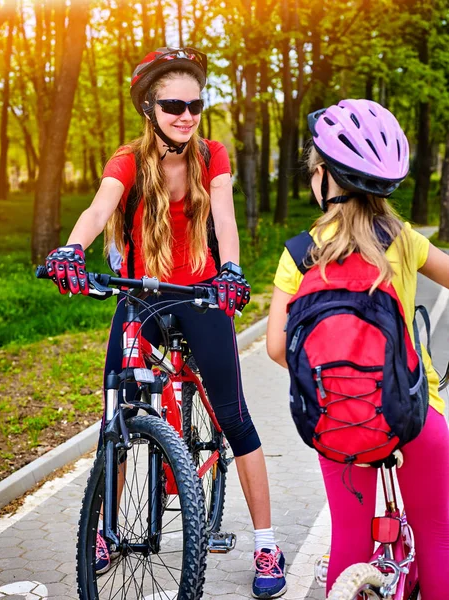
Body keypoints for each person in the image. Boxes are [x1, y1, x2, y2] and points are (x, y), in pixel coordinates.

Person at [45, 47, 286, 599]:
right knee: (117, 406)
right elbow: (99, 209)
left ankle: (267, 543)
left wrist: (230, 269)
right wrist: (71, 249)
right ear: (149, 108)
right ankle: (106, 531)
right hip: (142, 297)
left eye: (196, 104)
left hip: (201, 294)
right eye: (174, 104)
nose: (186, 114)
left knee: (234, 416)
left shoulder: (212, 155)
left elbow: (224, 219)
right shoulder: (128, 159)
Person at [266, 98, 449, 599]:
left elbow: (277, 349)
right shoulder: (403, 238)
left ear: (323, 177)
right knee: (437, 538)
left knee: (348, 540)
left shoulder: (299, 253)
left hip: (339, 421)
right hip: (415, 413)